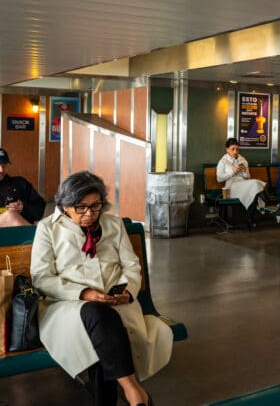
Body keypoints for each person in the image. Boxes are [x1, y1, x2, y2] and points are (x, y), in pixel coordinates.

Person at [30, 172, 171, 406]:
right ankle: (133, 390)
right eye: (81, 207)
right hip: (67, 306)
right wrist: (84, 294)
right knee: (97, 317)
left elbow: (131, 266)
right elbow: (42, 277)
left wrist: (127, 291)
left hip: (116, 303)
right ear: (65, 206)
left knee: (99, 337)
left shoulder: (113, 225)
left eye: (95, 206)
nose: (89, 214)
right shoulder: (48, 229)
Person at [216, 137, 266, 226]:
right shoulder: (223, 161)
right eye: (233, 149)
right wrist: (232, 172)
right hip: (231, 186)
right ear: (227, 150)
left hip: (243, 184)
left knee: (254, 185)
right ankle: (264, 204)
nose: (235, 152)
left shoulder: (243, 160)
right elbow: (219, 178)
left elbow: (247, 177)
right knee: (255, 185)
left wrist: (244, 171)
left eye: (237, 149)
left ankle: (250, 217)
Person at [0, 147, 46, 227]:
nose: (1, 170)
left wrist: (23, 207)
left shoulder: (20, 183)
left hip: (21, 234)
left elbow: (39, 211)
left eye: (3, 166)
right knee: (11, 215)